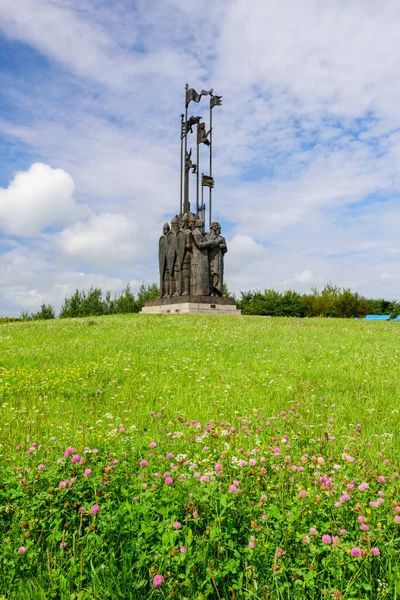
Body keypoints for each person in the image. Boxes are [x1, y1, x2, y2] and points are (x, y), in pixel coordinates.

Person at [207, 221, 227, 296]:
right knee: (211, 274)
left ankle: (218, 292)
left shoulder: (221, 238)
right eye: (214, 225)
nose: (216, 226)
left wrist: (223, 247)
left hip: (218, 259)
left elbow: (226, 250)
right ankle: (211, 291)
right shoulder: (207, 236)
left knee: (219, 275)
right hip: (211, 258)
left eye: (217, 225)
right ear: (211, 227)